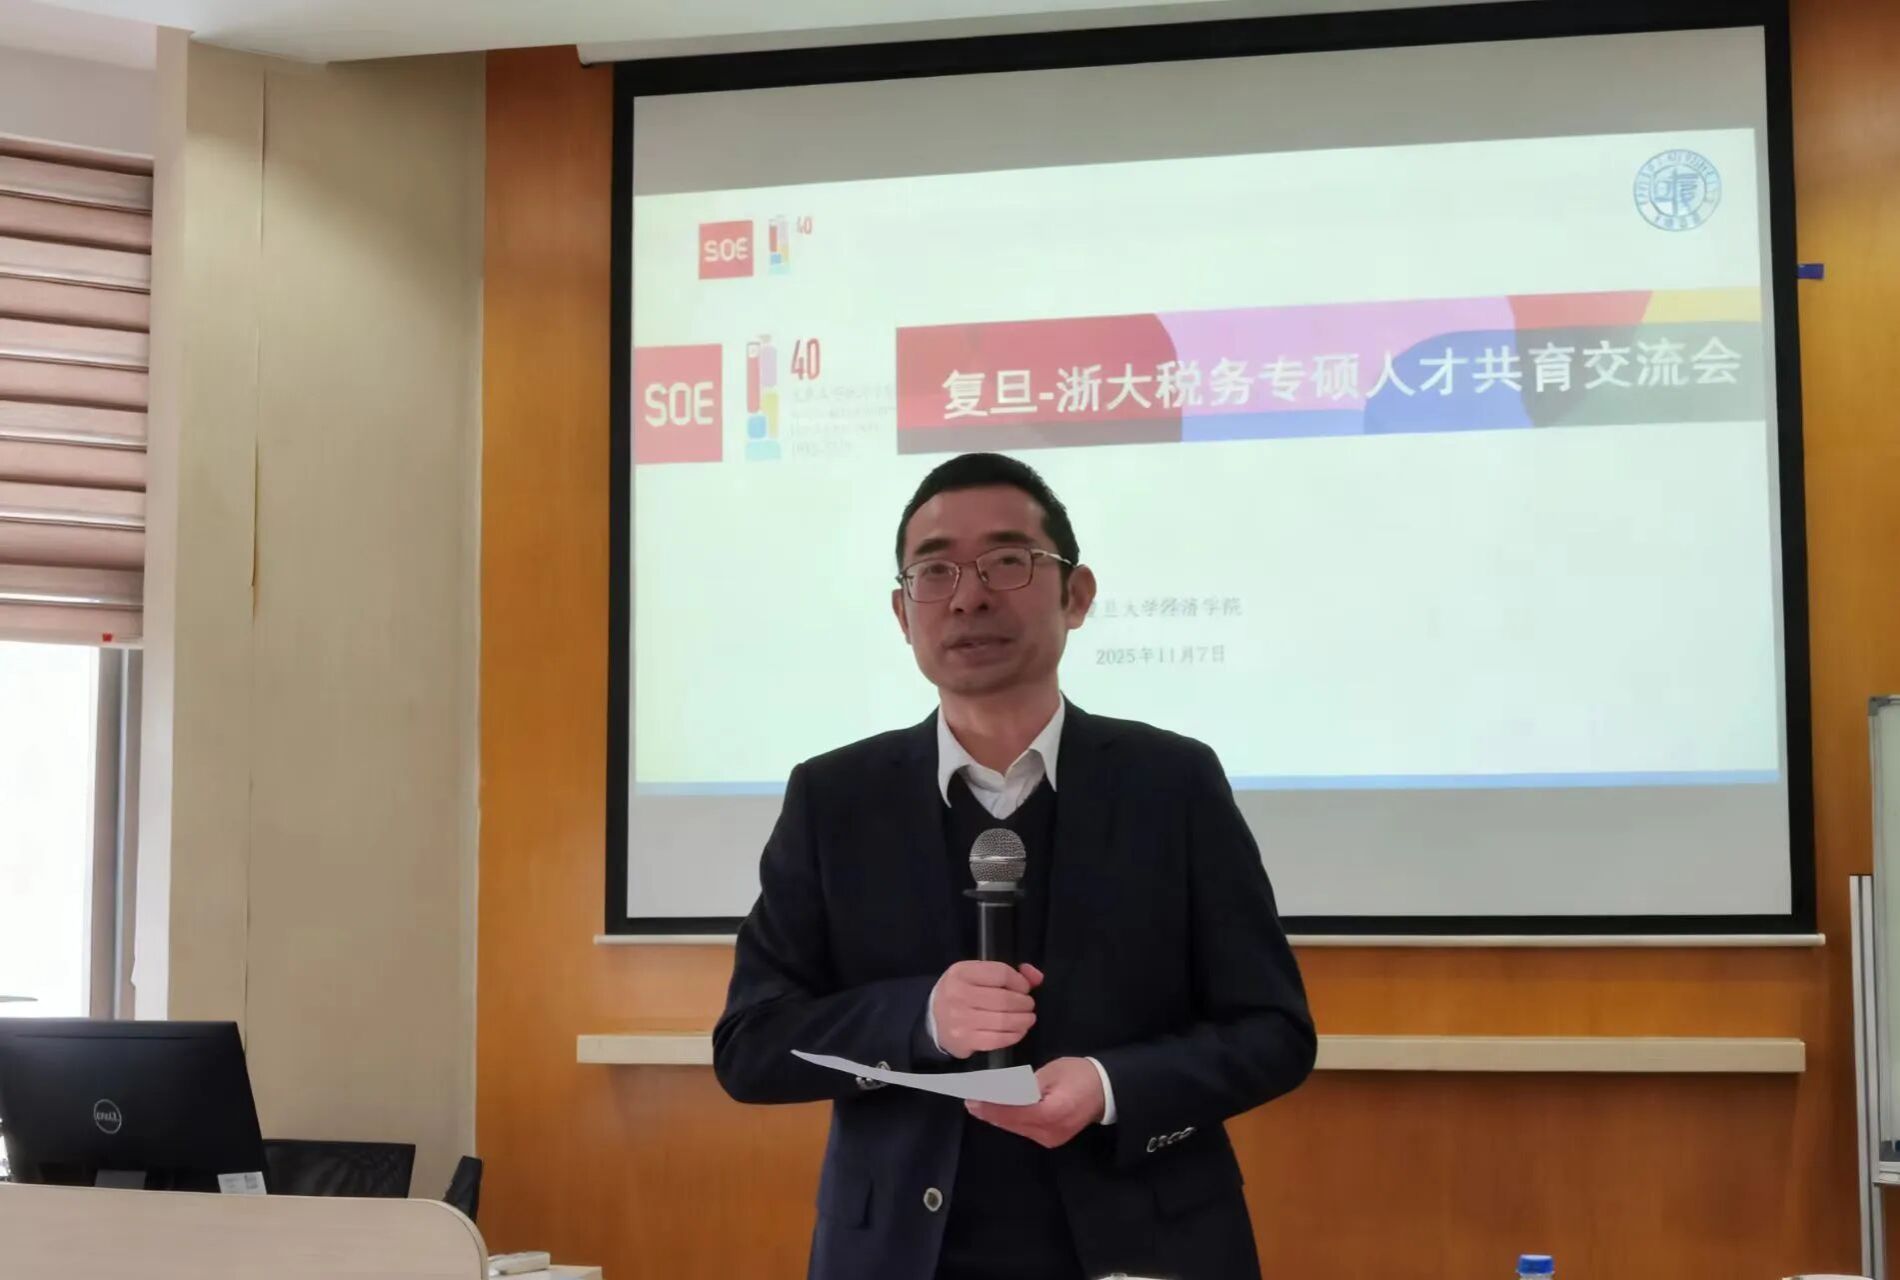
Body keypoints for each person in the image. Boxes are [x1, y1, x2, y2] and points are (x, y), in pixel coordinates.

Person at [713, 452, 1315, 1280]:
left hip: (1146, 1246)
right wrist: (922, 1018)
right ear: (902, 612)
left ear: (1078, 595)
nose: (968, 596)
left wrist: (1110, 1085)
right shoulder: (834, 798)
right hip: (900, 1254)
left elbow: (1274, 1030)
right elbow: (751, 1046)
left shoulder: (1172, 783)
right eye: (935, 570)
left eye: (1007, 561)